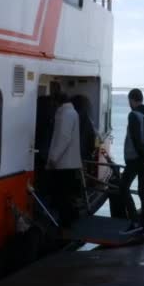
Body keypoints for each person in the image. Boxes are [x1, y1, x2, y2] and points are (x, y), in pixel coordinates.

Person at [120, 88, 144, 235]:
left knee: (123, 188)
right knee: (143, 190)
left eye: (129, 100)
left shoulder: (133, 115)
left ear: (131, 100)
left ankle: (134, 221)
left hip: (136, 158)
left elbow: (136, 140)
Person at [47, 92, 83, 228]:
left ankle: (66, 222)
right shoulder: (72, 113)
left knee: (62, 194)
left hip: (63, 162)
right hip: (70, 162)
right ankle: (72, 217)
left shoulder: (65, 114)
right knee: (67, 193)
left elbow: (63, 138)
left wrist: (53, 158)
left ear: (57, 102)